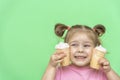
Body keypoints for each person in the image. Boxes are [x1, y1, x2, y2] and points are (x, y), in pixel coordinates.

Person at [41, 23, 120, 80]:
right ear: (66, 47)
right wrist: (51, 66)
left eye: (86, 46)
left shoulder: (102, 72)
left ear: (95, 49)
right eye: (74, 45)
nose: (80, 50)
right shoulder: (59, 71)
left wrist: (109, 71)